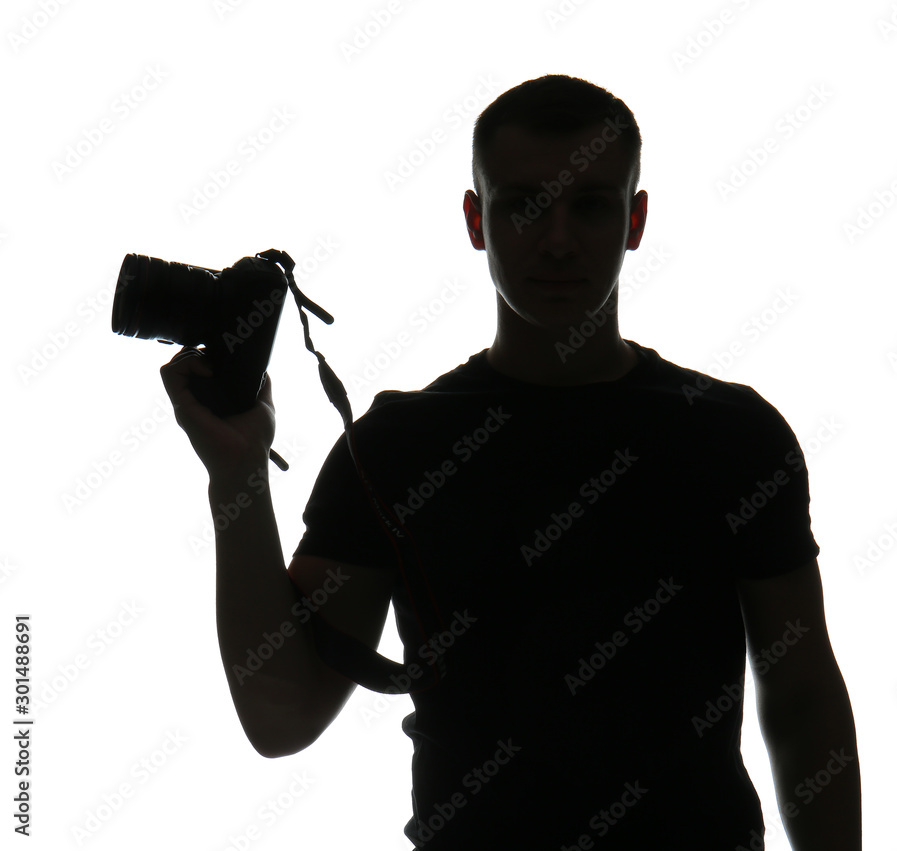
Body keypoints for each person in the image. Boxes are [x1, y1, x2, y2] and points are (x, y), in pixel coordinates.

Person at [161, 75, 861, 850]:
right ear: (475, 218)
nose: (557, 237)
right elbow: (281, 713)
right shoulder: (396, 451)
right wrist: (237, 475)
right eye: (525, 203)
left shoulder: (735, 438)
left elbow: (801, 698)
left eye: (590, 204)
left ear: (635, 220)